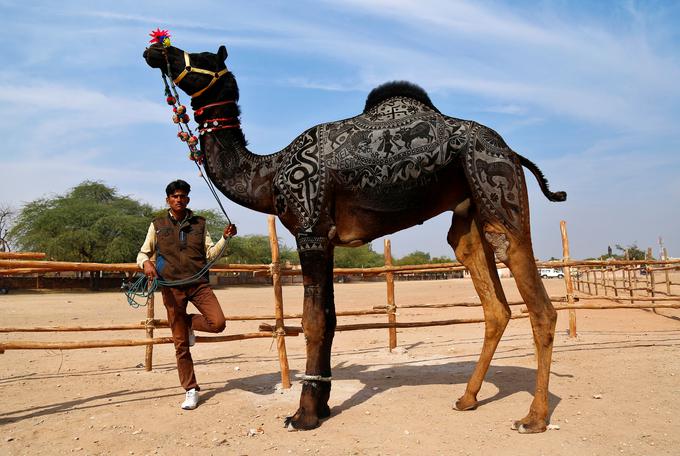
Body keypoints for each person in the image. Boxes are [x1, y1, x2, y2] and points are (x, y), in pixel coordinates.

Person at [136, 179, 237, 410]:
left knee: (218, 322)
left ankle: (187, 323)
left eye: (182, 196)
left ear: (188, 199)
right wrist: (146, 265)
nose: (178, 200)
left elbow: (211, 253)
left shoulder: (199, 223)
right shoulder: (157, 224)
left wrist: (226, 238)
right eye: (174, 196)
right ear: (168, 200)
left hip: (198, 284)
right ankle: (191, 389)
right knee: (181, 344)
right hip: (171, 287)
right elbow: (143, 252)